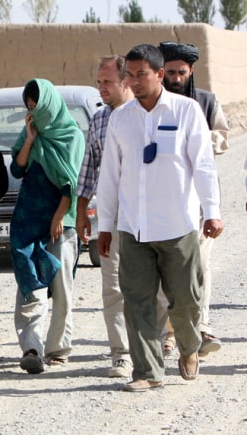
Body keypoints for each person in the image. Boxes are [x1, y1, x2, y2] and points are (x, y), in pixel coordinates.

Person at [96, 44, 223, 392]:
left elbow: (203, 165)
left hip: (178, 224)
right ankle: (148, 372)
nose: (134, 82)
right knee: (137, 301)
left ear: (158, 74)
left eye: (141, 74)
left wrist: (211, 211)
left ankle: (189, 345)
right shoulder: (121, 118)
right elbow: (109, 175)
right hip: (134, 227)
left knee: (185, 300)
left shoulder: (186, 111)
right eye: (130, 75)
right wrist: (105, 225)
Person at [156, 41, 229, 358]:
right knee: (167, 268)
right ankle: (169, 332)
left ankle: (201, 325)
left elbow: (222, 139)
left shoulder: (206, 101)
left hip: (200, 201)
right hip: (164, 198)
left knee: (200, 266)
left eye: (180, 72)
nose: (175, 78)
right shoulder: (154, 103)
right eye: (169, 72)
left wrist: (195, 136)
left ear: (191, 72)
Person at [9, 79, 84, 375]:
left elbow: (72, 183)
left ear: (49, 106)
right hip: (28, 220)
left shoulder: (71, 136)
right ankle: (31, 348)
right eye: (28, 108)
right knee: (29, 282)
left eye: (36, 107)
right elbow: (17, 169)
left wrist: (58, 217)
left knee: (62, 286)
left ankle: (59, 348)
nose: (32, 113)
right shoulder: (32, 135)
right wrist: (29, 139)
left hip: (60, 223)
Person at [75, 56, 135, 378]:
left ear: (126, 81)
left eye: (107, 82)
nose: (101, 88)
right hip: (110, 217)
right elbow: (88, 170)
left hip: (143, 217)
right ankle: (121, 354)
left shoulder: (143, 116)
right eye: (98, 82)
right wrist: (82, 211)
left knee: (150, 287)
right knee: (112, 287)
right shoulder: (98, 120)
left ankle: (156, 342)